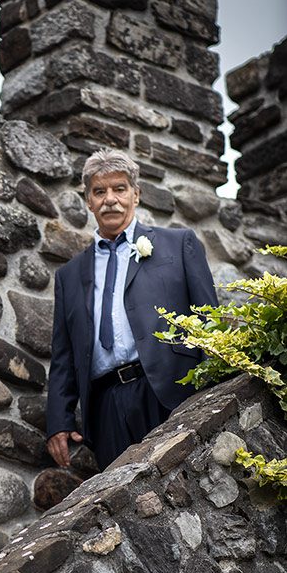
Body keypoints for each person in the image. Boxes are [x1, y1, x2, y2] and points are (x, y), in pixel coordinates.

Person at [46, 149, 217, 471]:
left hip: (173, 391)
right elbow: (64, 354)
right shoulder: (68, 275)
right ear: (88, 201)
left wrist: (212, 389)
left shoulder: (178, 245)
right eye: (100, 191)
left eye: (119, 189)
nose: (110, 199)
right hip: (106, 406)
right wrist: (59, 418)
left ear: (136, 195)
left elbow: (208, 317)